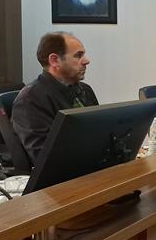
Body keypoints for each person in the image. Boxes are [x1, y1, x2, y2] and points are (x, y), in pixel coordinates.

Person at [12, 32, 99, 165]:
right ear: (54, 60)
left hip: (93, 165)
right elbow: (45, 157)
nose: (86, 61)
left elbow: (99, 134)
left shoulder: (85, 90)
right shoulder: (30, 99)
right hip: (66, 174)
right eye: (78, 55)